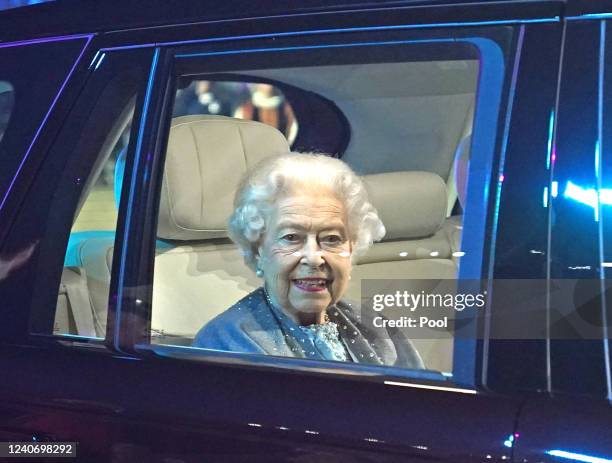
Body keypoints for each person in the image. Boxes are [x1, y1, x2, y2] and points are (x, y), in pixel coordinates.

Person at [193, 153, 424, 369]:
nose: (314, 258)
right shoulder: (225, 343)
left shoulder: (374, 326)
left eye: (332, 239)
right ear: (258, 251)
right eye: (291, 238)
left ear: (351, 249)